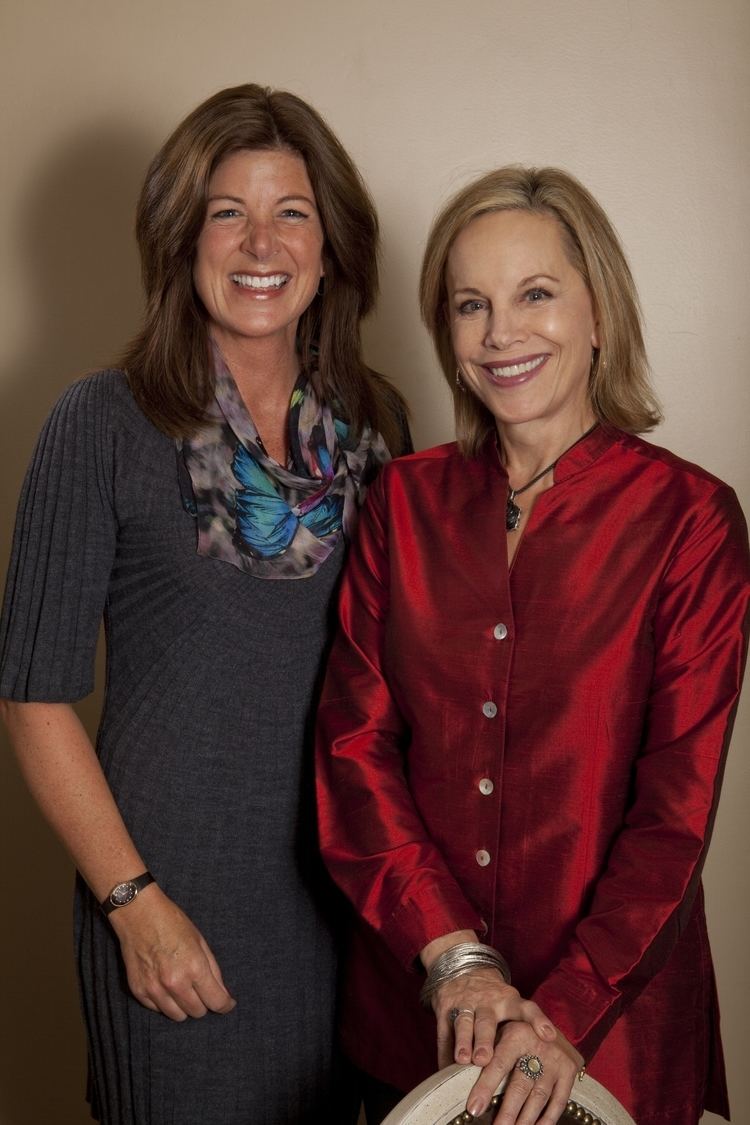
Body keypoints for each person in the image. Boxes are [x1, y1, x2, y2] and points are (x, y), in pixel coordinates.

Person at [0, 83, 409, 1125]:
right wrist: (132, 905)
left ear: (331, 246)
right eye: (227, 211)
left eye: (292, 212)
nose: (258, 241)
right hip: (172, 914)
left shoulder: (379, 426)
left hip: (354, 916)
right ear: (183, 236)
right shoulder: (100, 421)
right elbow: (33, 697)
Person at [315, 166, 750, 1125]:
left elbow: (674, 812)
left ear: (600, 312)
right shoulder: (401, 504)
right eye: (471, 304)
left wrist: (562, 1011)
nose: (501, 332)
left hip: (611, 1037)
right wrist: (454, 956)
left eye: (536, 294)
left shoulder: (693, 521)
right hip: (420, 1019)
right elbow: (354, 752)